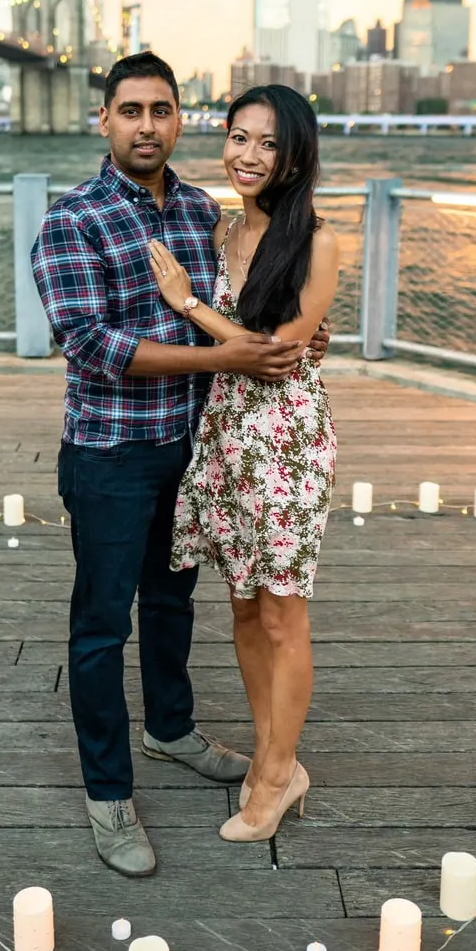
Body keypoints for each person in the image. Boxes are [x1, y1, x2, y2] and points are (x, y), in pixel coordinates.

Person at [31, 52, 326, 877]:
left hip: (197, 448)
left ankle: (169, 729)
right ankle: (108, 792)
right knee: (100, 625)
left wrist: (294, 333)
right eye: (131, 111)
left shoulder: (204, 211)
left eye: (162, 110)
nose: (148, 125)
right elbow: (94, 348)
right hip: (109, 452)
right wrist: (228, 362)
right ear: (105, 121)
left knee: (172, 604)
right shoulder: (72, 220)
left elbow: (245, 307)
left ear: (178, 120)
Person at [148, 83, 338, 844]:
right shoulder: (219, 228)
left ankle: (276, 773)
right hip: (224, 433)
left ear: (294, 154)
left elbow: (273, 355)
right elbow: (244, 355)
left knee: (284, 611)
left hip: (287, 440)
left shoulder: (318, 239)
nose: (248, 155)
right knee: (243, 606)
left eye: (267, 142)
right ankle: (270, 753)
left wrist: (188, 303)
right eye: (237, 136)